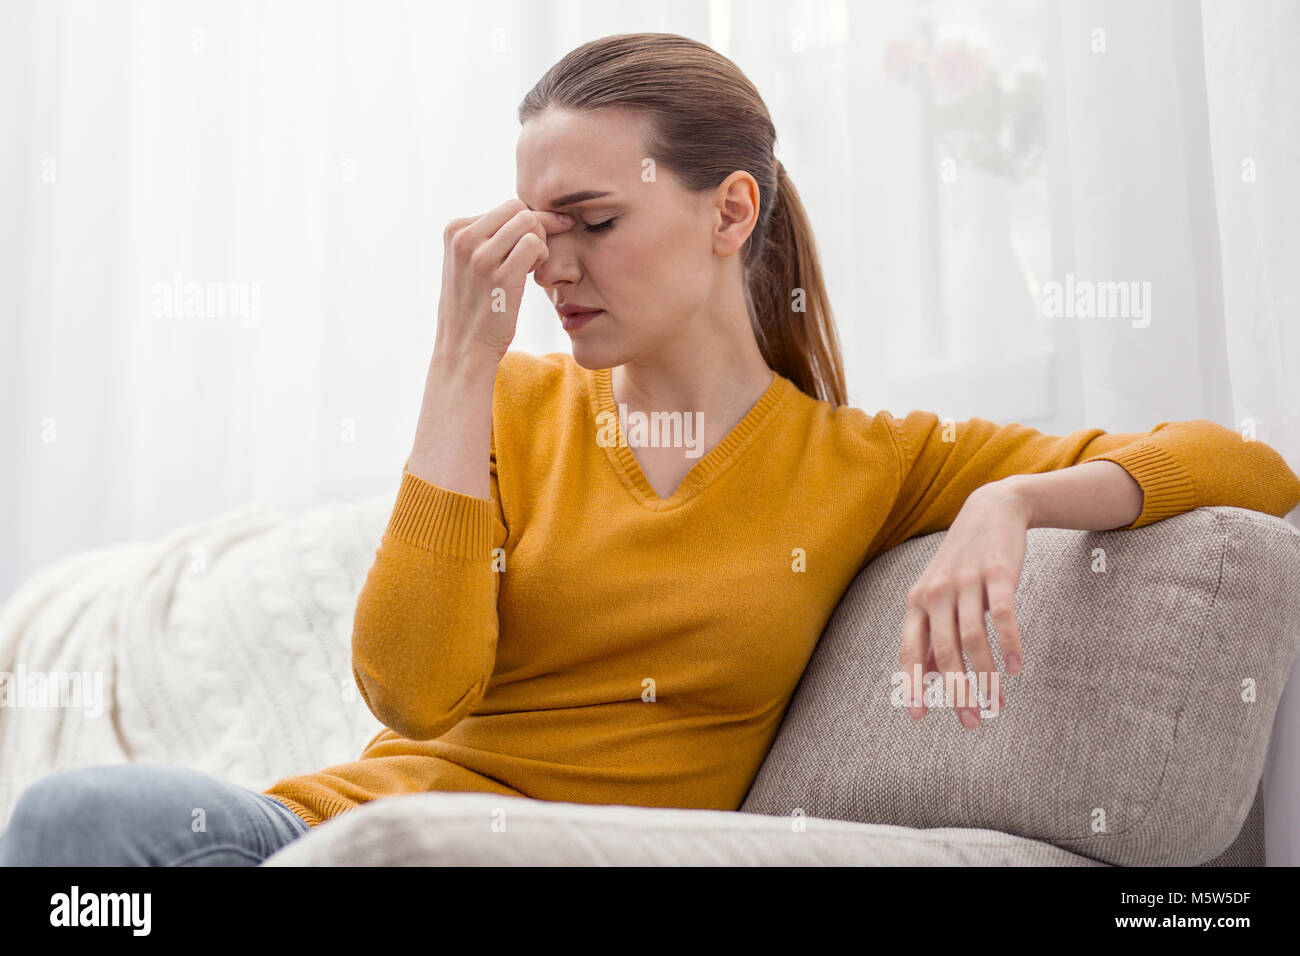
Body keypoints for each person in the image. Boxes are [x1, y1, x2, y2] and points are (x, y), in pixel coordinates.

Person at [3, 32, 1297, 867]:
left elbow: (1255, 471)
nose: (550, 262)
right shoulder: (506, 404)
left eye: (593, 219)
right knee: (78, 831)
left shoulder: (867, 462)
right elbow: (410, 692)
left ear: (729, 210)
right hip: (323, 835)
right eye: (531, 223)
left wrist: (1017, 498)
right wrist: (458, 367)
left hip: (516, 852)